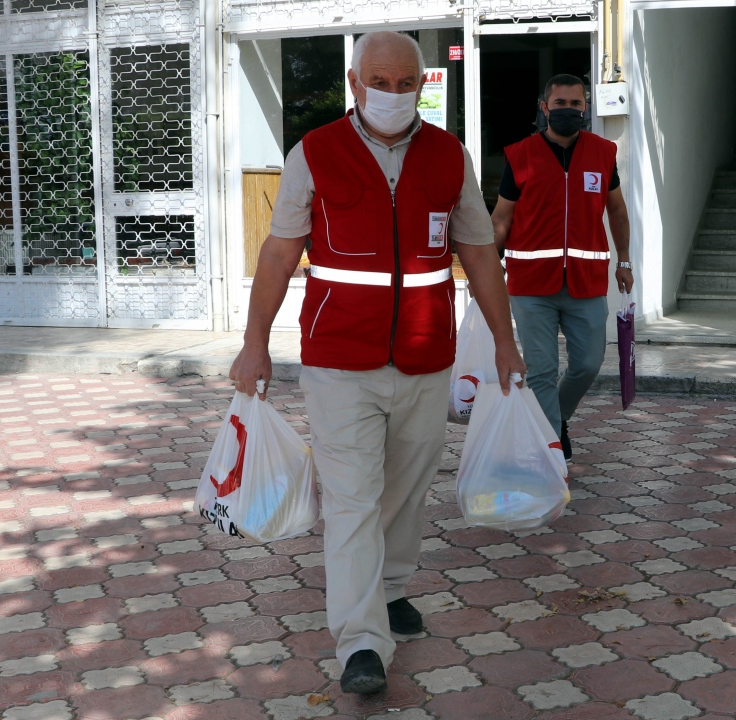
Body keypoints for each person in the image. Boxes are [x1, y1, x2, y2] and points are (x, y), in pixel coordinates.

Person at [228, 31, 525, 696]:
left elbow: (478, 252)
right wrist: (255, 343)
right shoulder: (316, 153)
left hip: (425, 356)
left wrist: (505, 342)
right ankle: (361, 641)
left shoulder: (449, 155)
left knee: (406, 490)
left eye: (405, 84)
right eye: (379, 83)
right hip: (339, 358)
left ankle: (390, 590)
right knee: (354, 497)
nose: (393, 95)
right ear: (355, 84)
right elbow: (279, 255)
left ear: (420, 85)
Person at [491, 74, 633, 459]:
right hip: (531, 285)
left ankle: (557, 417)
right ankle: (550, 449)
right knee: (540, 371)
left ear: (585, 108)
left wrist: (624, 260)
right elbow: (502, 219)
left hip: (585, 283)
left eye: (575, 104)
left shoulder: (602, 153)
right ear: (544, 108)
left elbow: (617, 211)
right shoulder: (520, 155)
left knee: (588, 363)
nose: (567, 110)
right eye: (560, 104)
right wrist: (488, 268)